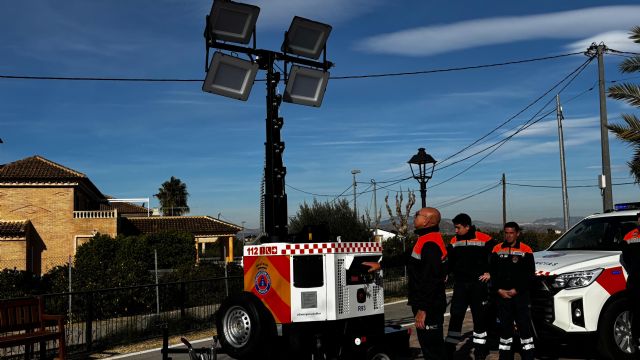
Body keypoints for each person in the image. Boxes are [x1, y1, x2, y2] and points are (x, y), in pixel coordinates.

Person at [445, 213, 496, 360]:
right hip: (460, 286)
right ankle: (449, 352)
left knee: (479, 319)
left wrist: (490, 273)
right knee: (456, 317)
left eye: (458, 228)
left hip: (478, 286)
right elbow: (450, 261)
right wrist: (446, 273)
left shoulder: (485, 239)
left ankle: (480, 353)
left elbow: (496, 258)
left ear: (467, 226)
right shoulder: (454, 241)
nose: (455, 231)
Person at [489, 222, 535, 360]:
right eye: (506, 233)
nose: (508, 235)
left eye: (511, 233)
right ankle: (505, 356)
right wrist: (498, 290)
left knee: (524, 328)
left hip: (520, 296)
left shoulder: (526, 250)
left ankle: (528, 356)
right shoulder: (496, 249)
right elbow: (493, 273)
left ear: (517, 233)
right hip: (502, 296)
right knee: (505, 329)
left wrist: (517, 290)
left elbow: (529, 275)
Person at [408, 207, 448, 360]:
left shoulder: (430, 244)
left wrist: (422, 309)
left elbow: (431, 279)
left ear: (426, 221)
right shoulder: (425, 239)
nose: (414, 217)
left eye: (417, 215)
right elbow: (409, 258)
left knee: (432, 348)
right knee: (430, 346)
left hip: (429, 306)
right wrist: (381, 264)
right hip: (427, 303)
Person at [621, 213, 640, 358]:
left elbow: (625, 258)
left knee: (636, 314)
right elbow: (625, 257)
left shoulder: (628, 236)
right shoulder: (628, 237)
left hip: (634, 280)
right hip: (635, 281)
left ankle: (637, 343)